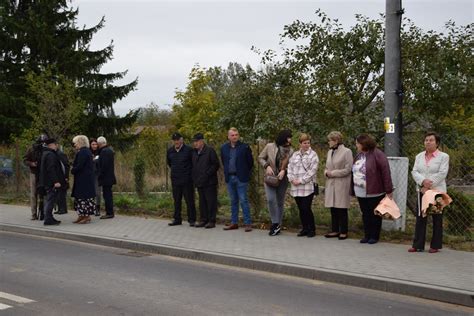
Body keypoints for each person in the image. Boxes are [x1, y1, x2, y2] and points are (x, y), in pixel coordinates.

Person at [409, 132, 449, 253]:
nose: (428, 142)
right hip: (422, 191)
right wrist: (422, 182)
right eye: (426, 140)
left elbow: (442, 173)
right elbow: (414, 171)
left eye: (431, 140)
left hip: (437, 192)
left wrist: (429, 185)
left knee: (437, 218)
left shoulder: (443, 156)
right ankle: (418, 244)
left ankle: (435, 245)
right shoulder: (419, 156)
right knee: (421, 218)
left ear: (437, 143)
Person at [352, 134, 393, 244]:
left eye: (357, 143)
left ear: (363, 143)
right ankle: (367, 235)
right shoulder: (359, 155)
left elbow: (386, 172)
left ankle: (374, 236)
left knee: (375, 214)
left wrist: (389, 190)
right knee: (365, 213)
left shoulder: (378, 154)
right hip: (360, 190)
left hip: (375, 190)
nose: (356, 145)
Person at [258, 129, 293, 236]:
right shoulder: (270, 146)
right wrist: (266, 166)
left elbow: (292, 165)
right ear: (283, 137)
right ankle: (275, 223)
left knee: (280, 202)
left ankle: (278, 225)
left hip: (283, 179)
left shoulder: (291, 151)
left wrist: (284, 170)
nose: (290, 139)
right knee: (270, 200)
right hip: (270, 178)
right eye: (289, 137)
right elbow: (260, 158)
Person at [221, 128, 254, 232]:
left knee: (243, 200)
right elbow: (224, 161)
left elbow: (250, 162)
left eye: (236, 134)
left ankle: (247, 223)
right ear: (228, 136)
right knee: (233, 201)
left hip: (241, 178)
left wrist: (244, 172)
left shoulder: (244, 147)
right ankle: (234, 222)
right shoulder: (224, 148)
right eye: (232, 135)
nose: (235, 136)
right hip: (230, 177)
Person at [287, 133, 319, 237]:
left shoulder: (313, 155)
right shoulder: (295, 155)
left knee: (306, 208)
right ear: (300, 144)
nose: (307, 145)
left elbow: (312, 171)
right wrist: (291, 178)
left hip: (307, 187)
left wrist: (301, 180)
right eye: (304, 143)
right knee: (301, 208)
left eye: (308, 143)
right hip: (295, 187)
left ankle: (312, 229)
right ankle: (304, 228)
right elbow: (290, 167)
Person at [324, 131, 353, 240]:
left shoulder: (347, 152)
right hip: (331, 183)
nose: (328, 142)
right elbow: (327, 166)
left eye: (330, 140)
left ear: (335, 141)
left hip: (341, 183)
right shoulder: (329, 152)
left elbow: (348, 169)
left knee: (341, 208)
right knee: (333, 208)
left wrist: (333, 173)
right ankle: (334, 229)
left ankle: (344, 230)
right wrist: (326, 172)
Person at [166, 132, 197, 226]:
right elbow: (169, 163)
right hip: (175, 180)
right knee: (176, 201)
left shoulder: (189, 150)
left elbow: (193, 164)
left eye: (178, 140)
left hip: (187, 180)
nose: (176, 142)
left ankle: (191, 220)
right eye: (175, 140)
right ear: (173, 141)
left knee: (189, 200)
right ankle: (177, 219)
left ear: (182, 140)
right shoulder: (170, 151)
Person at [191, 133, 220, 229]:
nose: (195, 143)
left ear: (202, 141)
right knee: (202, 202)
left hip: (209, 182)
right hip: (199, 181)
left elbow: (215, 165)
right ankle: (203, 219)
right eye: (194, 142)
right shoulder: (194, 152)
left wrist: (207, 174)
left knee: (211, 201)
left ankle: (212, 221)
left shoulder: (210, 151)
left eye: (197, 141)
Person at [38, 138, 65, 226]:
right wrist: (56, 181)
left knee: (50, 200)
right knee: (50, 200)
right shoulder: (50, 155)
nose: (56, 146)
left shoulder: (46, 153)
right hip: (51, 182)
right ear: (51, 145)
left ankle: (49, 217)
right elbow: (51, 169)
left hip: (47, 181)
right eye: (55, 144)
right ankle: (48, 219)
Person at [71, 135, 96, 224]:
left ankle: (86, 216)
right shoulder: (86, 151)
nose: (74, 145)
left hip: (83, 180)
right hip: (84, 179)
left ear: (80, 142)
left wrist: (73, 170)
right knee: (81, 198)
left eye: (75, 143)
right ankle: (81, 216)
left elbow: (79, 166)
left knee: (83, 198)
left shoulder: (83, 152)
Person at [23, 134, 48, 220]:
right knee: (33, 194)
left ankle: (45, 213)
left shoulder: (47, 149)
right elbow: (25, 159)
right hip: (34, 173)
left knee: (44, 194)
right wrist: (32, 163)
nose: (42, 144)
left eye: (44, 142)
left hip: (44, 174)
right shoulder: (32, 148)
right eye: (41, 142)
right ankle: (34, 214)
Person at [97, 136, 116, 219]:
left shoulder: (104, 152)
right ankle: (110, 211)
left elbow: (104, 165)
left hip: (106, 178)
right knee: (108, 195)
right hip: (110, 176)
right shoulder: (109, 150)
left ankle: (109, 212)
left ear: (100, 143)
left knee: (107, 195)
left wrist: (100, 175)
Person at [54, 147, 70, 214]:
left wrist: (66, 176)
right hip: (59, 176)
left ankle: (63, 209)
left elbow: (66, 165)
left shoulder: (60, 154)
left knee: (61, 193)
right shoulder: (56, 153)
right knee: (59, 193)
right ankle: (61, 208)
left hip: (62, 176)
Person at [90, 138, 101, 216]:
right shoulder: (88, 153)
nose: (94, 146)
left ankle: (97, 208)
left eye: (95, 144)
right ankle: (91, 208)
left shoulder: (100, 153)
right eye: (93, 144)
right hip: (90, 175)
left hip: (97, 175)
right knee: (91, 192)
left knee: (97, 193)